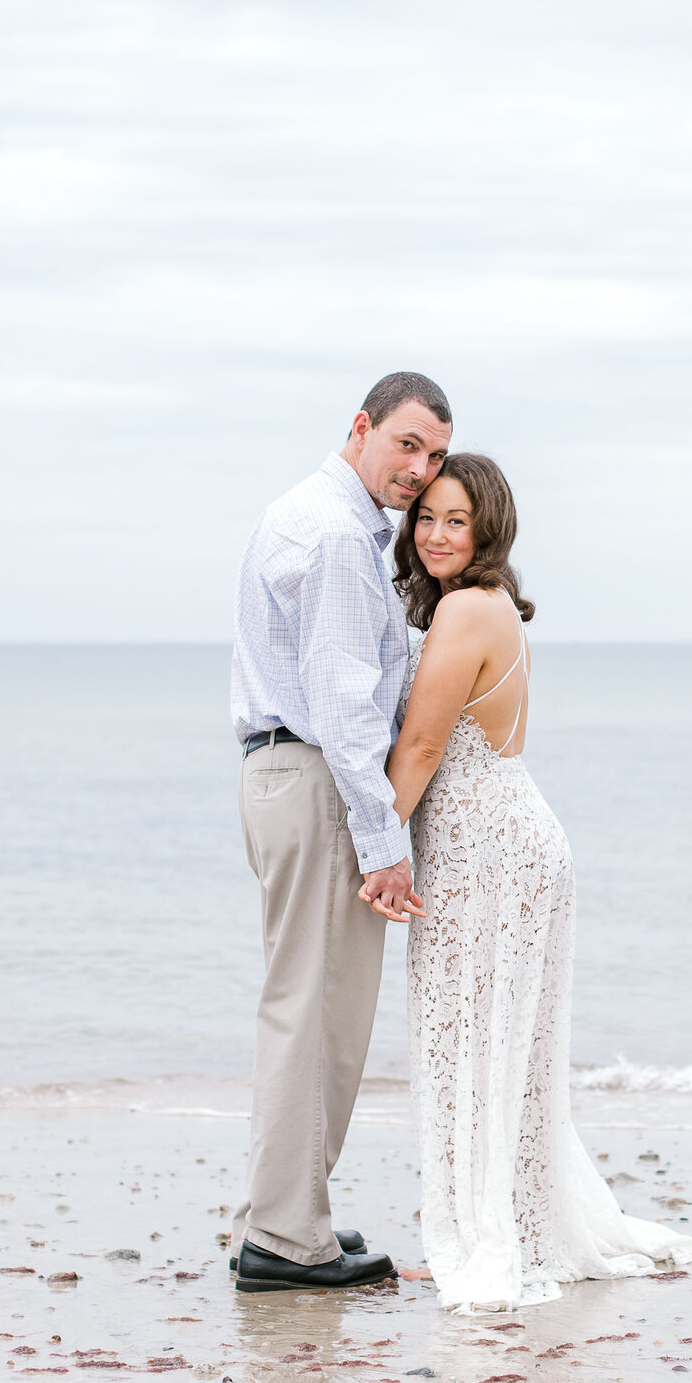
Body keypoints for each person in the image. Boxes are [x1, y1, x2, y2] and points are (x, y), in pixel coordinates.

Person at [386, 452, 692, 1313]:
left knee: (474, 1042)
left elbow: (418, 749)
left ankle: (486, 1230)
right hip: (510, 843)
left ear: (489, 527)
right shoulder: (483, 609)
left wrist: (370, 851)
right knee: (502, 1049)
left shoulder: (464, 612)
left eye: (457, 519)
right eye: (427, 518)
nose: (438, 534)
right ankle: (513, 1217)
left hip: (489, 852)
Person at [226, 371, 452, 1293]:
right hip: (317, 776)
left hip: (288, 773)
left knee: (305, 1008)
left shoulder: (326, 519)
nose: (419, 470)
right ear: (361, 428)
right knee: (319, 1013)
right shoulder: (332, 538)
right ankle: (285, 1239)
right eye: (406, 445)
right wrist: (386, 843)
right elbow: (346, 708)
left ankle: (283, 1216)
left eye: (434, 455)